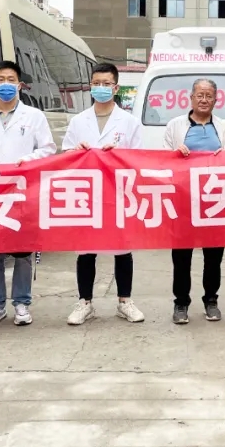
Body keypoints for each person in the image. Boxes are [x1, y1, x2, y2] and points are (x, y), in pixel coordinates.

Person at [0, 60, 56, 327]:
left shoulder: (34, 116)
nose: (5, 84)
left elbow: (48, 149)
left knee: (23, 251)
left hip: (23, 190)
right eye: (0, 80)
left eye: (10, 80)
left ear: (19, 85)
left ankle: (21, 303)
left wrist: (28, 160)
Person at [62, 62, 146, 326]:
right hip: (87, 193)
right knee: (86, 249)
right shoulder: (78, 121)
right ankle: (84, 302)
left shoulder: (130, 122)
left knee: (122, 248)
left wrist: (119, 155)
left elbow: (139, 158)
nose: (101, 88)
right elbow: (65, 155)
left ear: (116, 87)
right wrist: (77, 151)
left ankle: (125, 301)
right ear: (90, 86)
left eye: (106, 84)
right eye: (96, 83)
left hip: (118, 192)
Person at [164, 78, 225, 324]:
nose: (204, 100)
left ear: (216, 100)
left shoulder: (224, 126)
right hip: (183, 200)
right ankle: (181, 303)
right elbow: (162, 159)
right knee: (181, 257)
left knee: (213, 256)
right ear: (191, 98)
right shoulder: (175, 126)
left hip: (215, 200)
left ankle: (211, 301)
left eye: (209, 95)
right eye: (200, 95)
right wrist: (176, 154)